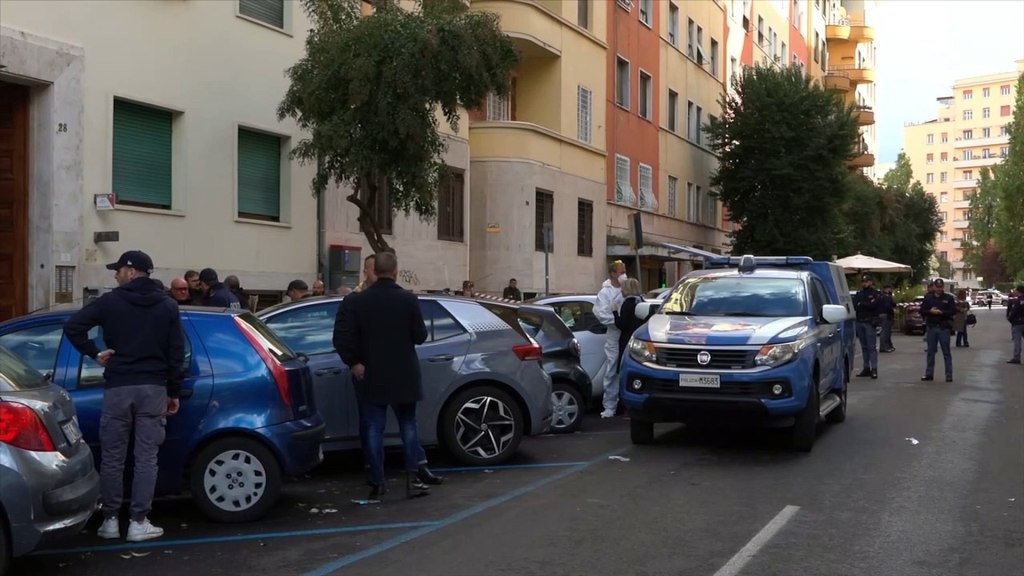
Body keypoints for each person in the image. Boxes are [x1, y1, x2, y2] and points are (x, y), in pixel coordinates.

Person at [62, 250, 184, 542]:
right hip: (152, 388)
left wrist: (95, 353)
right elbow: (176, 352)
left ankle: (110, 521)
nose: (115, 275)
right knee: (146, 458)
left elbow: (73, 327)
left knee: (112, 457)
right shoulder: (167, 305)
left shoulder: (110, 301)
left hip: (118, 387)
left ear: (130, 271)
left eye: (117, 270)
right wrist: (174, 391)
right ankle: (139, 522)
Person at [332, 252, 441, 501]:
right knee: (408, 425)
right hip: (404, 372)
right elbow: (420, 336)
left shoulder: (356, 302)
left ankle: (378, 483)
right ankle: (412, 479)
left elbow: (342, 338)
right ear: (395, 272)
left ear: (374, 271)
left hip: (372, 372)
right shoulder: (408, 300)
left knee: (373, 427)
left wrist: (354, 362)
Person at [593, 260, 627, 418]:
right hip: (614, 335)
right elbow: (601, 314)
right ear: (613, 273)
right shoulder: (605, 293)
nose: (624, 275)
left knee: (627, 368)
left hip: (627, 335)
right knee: (612, 369)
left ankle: (626, 404)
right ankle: (609, 405)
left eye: (624, 271)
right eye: (621, 272)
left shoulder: (627, 289)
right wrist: (618, 321)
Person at [920, 278, 957, 382]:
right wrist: (930, 311)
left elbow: (953, 311)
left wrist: (942, 312)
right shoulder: (928, 298)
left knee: (946, 352)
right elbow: (922, 311)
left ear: (943, 287)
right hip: (932, 327)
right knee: (930, 352)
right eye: (937, 287)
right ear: (934, 287)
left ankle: (949, 375)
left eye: (940, 287)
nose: (939, 289)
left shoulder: (948, 298)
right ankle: (929, 374)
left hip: (943, 328)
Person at [852, 274, 884, 379]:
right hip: (860, 321)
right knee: (864, 347)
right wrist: (865, 304)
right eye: (863, 282)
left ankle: (874, 369)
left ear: (871, 282)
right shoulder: (859, 294)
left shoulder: (875, 294)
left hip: (870, 322)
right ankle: (866, 368)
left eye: (866, 281)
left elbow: (874, 305)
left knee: (871, 347)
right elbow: (855, 305)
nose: (864, 283)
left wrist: (862, 304)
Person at [613, 279, 650, 366]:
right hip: (639, 339)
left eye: (622, 288)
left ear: (627, 289)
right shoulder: (642, 302)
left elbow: (621, 324)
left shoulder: (628, 303)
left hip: (627, 339)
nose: (621, 291)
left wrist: (615, 312)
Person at [1007, 285, 1024, 364]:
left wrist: (1010, 319)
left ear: (1018, 291)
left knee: (1017, 341)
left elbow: (1013, 312)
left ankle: (1016, 358)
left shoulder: (1017, 301)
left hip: (1018, 323)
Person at [879, 285, 897, 353]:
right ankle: (883, 347)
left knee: (885, 331)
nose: (891, 290)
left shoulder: (880, 296)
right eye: (890, 289)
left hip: (881, 314)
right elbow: (889, 306)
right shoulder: (886, 297)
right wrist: (892, 310)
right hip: (886, 315)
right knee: (885, 331)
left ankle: (887, 346)